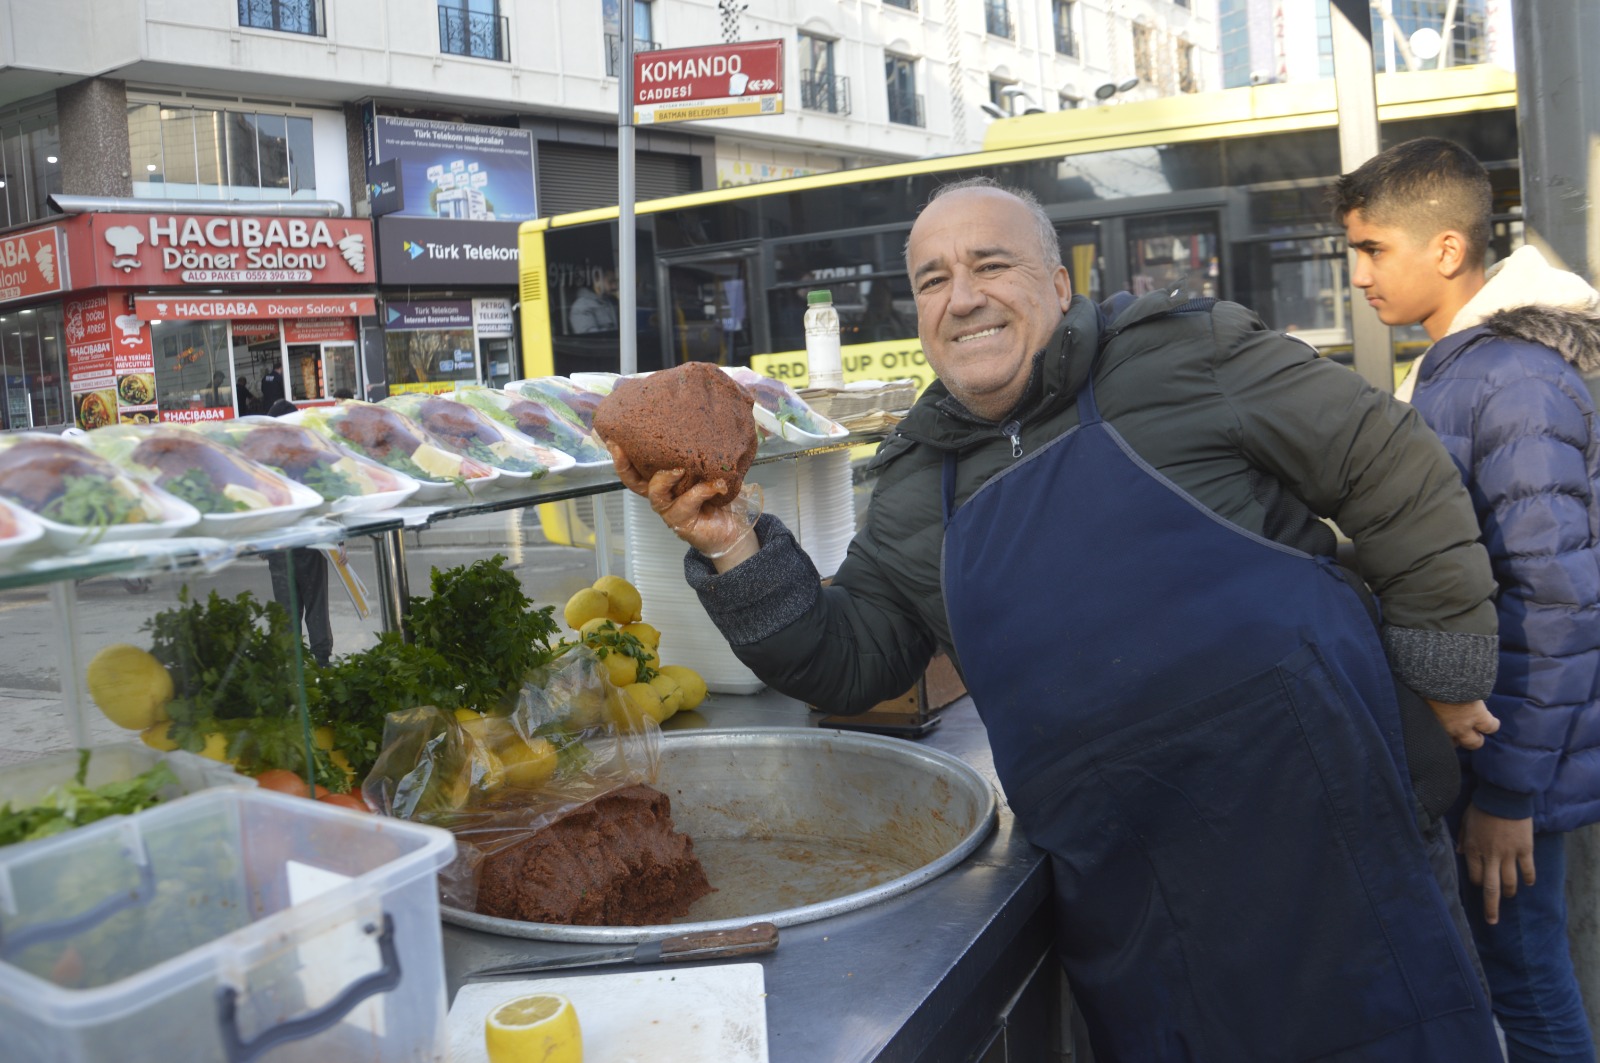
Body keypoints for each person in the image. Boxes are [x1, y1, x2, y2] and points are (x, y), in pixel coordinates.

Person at [614, 177, 1507, 1060]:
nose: (962, 298)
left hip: (1332, 847)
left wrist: (1444, 672)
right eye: (932, 280)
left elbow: (1391, 465)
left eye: (989, 264)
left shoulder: (1183, 352)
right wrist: (733, 545)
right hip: (1140, 904)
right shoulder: (921, 483)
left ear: (1058, 284)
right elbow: (847, 661)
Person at [1336, 137, 1600, 1063]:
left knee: (1526, 987)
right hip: (1497, 751)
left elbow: (1556, 598)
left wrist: (1510, 792)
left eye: (1372, 250)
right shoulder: (1465, 368)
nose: (1358, 275)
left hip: (1510, 764)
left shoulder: (1510, 379)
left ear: (1447, 251)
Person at [263, 398, 334, 667]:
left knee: (286, 607)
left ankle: (292, 664)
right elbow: (325, 494)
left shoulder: (265, 456)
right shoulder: (307, 453)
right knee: (315, 600)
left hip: (279, 544)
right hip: (308, 540)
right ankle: (322, 660)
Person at [570, 268, 620, 333]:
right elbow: (590, 336)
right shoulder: (581, 306)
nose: (614, 286)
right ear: (597, 279)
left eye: (615, 282)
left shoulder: (610, 302)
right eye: (610, 282)